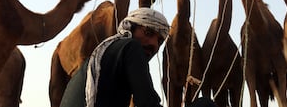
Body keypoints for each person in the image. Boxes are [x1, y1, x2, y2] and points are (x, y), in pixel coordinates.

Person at [60, 7, 216, 107]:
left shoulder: (104, 56)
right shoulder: (130, 47)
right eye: (148, 33)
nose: (154, 44)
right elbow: (147, 103)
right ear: (131, 29)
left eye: (160, 41)